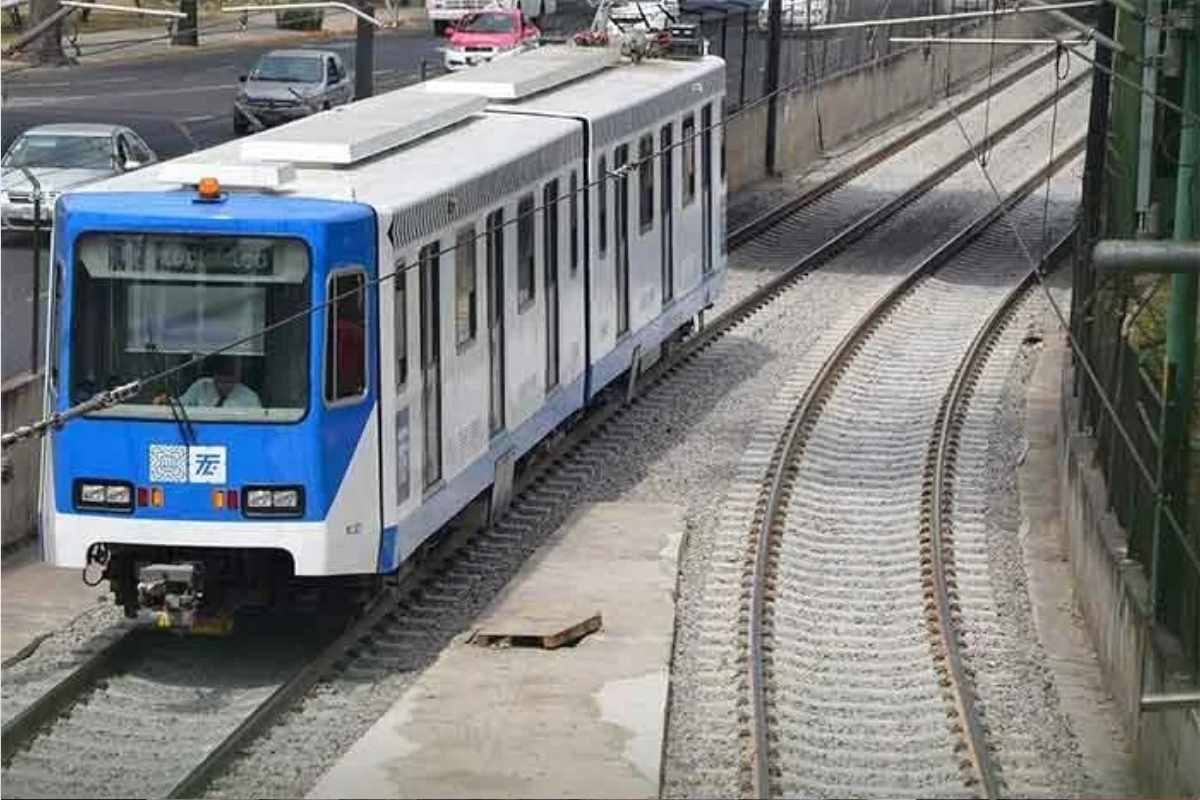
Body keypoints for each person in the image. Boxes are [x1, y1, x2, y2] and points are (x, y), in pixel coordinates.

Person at [157, 356, 262, 409]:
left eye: (229, 382)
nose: (225, 386)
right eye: (220, 381)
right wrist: (167, 402)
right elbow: (181, 407)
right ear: (214, 378)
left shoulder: (250, 398)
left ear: (236, 379)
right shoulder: (201, 386)